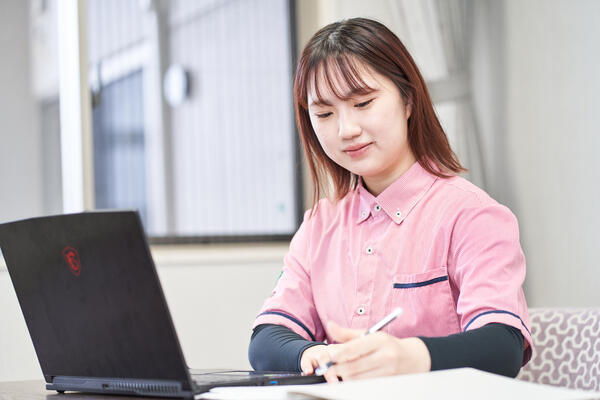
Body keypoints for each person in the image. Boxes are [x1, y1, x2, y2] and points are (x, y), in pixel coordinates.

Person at [248, 17, 532, 383]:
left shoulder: (473, 215)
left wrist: (406, 356)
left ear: (408, 99)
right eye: (324, 113)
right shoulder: (320, 224)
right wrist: (315, 353)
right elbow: (266, 339)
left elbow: (502, 347)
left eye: (363, 103)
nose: (345, 130)